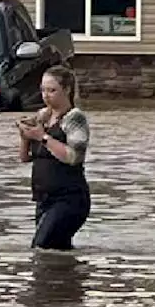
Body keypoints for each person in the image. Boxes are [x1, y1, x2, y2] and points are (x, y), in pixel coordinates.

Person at [17, 65, 92, 251]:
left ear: (66, 90)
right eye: (43, 90)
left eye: (52, 90)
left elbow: (74, 157)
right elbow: (25, 158)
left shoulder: (75, 118)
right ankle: (69, 278)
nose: (46, 95)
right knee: (57, 251)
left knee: (41, 248)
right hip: (44, 198)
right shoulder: (43, 116)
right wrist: (25, 136)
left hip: (70, 199)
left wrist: (42, 137)